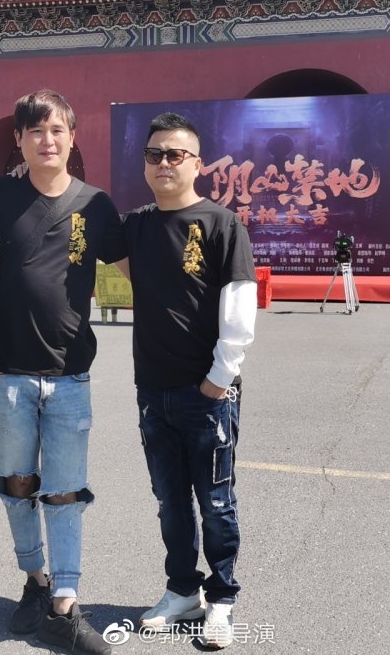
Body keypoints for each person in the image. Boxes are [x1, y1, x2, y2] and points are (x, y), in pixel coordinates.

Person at [0, 90, 125, 655]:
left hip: (69, 374)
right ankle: (34, 579)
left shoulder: (95, 205)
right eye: (35, 130)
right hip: (8, 372)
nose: (47, 140)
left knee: (64, 492)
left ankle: (64, 601)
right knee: (17, 483)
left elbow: (138, 269)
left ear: (72, 137)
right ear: (19, 139)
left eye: (57, 129)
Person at [121, 112, 258, 649]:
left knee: (216, 501)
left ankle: (221, 598)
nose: (164, 163)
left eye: (175, 154)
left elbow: (240, 307)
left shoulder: (222, 225)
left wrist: (220, 378)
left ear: (197, 163)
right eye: (154, 154)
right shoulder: (136, 225)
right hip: (153, 390)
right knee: (170, 500)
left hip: (208, 393)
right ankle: (182, 590)